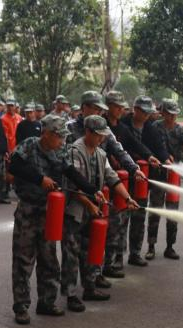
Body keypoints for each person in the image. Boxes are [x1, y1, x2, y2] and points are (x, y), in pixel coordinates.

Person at [7, 115, 101, 324]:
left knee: (49, 259)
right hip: (28, 211)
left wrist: (92, 191)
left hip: (49, 212)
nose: (62, 141)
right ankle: (21, 306)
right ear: (47, 134)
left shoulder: (60, 151)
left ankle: (46, 302)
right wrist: (40, 179)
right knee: (23, 261)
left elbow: (72, 173)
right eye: (59, 137)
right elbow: (14, 166)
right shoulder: (29, 145)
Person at [61, 115, 139, 312]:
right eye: (98, 135)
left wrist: (128, 198)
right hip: (75, 211)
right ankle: (70, 295)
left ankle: (89, 287)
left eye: (103, 135)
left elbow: (112, 178)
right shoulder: (75, 151)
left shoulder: (100, 154)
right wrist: (90, 205)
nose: (102, 139)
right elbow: (74, 185)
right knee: (71, 254)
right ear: (88, 132)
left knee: (89, 250)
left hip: (92, 210)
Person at [102, 91, 154, 277]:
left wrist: (149, 156)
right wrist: (110, 160)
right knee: (112, 223)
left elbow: (130, 147)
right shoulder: (101, 125)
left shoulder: (123, 128)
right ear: (108, 106)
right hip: (106, 184)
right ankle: (109, 261)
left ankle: (125, 256)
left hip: (125, 180)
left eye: (122, 107)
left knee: (127, 218)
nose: (120, 110)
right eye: (117, 106)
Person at [145, 99, 183, 260]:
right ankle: (151, 246)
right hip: (158, 175)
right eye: (170, 114)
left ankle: (170, 247)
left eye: (175, 114)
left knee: (173, 213)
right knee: (155, 211)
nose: (173, 117)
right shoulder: (155, 127)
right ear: (164, 113)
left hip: (174, 177)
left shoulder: (179, 130)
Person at [121, 95, 161, 267]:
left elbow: (159, 147)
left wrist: (164, 159)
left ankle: (135, 253)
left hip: (142, 181)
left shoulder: (151, 128)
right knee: (121, 219)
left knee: (139, 215)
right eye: (144, 112)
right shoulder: (123, 124)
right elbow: (123, 148)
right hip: (123, 180)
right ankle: (117, 257)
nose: (146, 116)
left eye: (148, 113)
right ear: (135, 109)